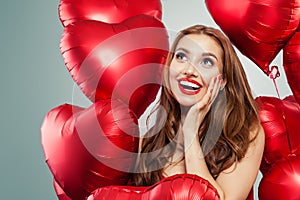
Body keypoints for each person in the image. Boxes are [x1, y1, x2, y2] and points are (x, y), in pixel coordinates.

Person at [130, 24, 265, 200]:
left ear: (222, 81)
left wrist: (190, 131)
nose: (189, 71)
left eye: (206, 62)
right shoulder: (147, 143)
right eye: (181, 57)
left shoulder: (246, 135)